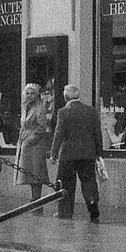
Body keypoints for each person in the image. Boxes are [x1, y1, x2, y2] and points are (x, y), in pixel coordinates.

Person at [50, 84, 103, 222]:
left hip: (68, 154)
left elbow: (59, 133)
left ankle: (65, 211)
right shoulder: (91, 111)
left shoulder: (63, 112)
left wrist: (53, 153)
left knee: (66, 183)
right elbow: (97, 133)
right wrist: (98, 152)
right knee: (89, 181)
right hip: (87, 154)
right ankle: (93, 207)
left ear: (65, 97)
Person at [16, 83, 53, 214]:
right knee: (29, 171)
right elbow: (23, 125)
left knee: (36, 171)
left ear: (37, 95)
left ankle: (37, 198)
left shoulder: (40, 108)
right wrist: (21, 139)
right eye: (27, 93)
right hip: (25, 141)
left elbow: (42, 127)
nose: (29, 96)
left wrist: (29, 140)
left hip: (35, 144)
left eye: (32, 93)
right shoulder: (25, 107)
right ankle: (33, 197)